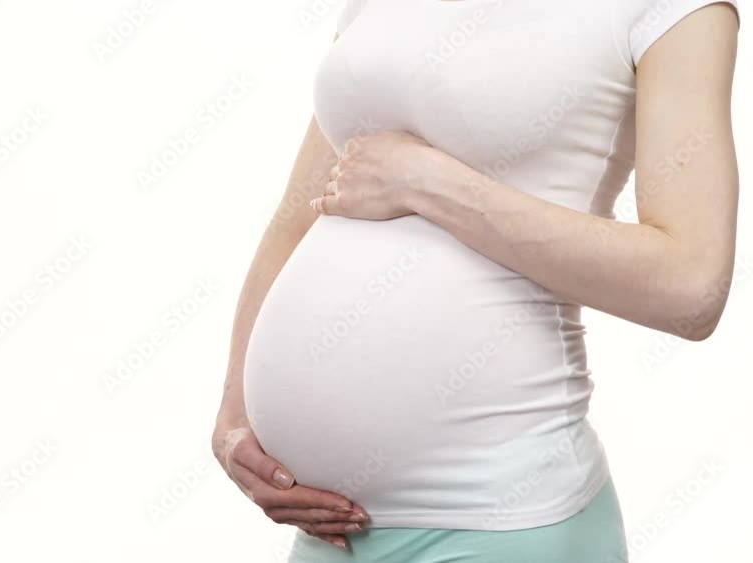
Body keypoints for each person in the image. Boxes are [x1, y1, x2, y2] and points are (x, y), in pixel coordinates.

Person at [212, 0, 741, 560]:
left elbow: (692, 287)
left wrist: (430, 184)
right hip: (328, 531)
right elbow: (298, 216)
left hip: (503, 520)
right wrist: (235, 413)